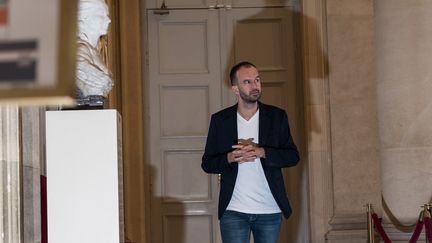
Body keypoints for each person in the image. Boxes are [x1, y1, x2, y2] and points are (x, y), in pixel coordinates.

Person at [201, 61, 299, 243]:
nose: (255, 86)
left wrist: (263, 152)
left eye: (257, 80)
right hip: (233, 209)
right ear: (235, 89)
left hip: (269, 209)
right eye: (247, 82)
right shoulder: (220, 120)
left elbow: (293, 156)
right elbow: (207, 163)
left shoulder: (277, 117)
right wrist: (230, 158)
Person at [76, 0, 113, 106]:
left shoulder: (94, 52)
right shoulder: (78, 52)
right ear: (85, 18)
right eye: (102, 15)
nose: (109, 20)